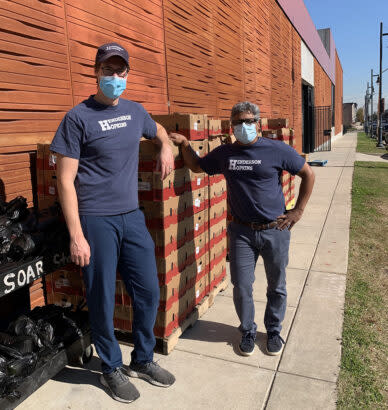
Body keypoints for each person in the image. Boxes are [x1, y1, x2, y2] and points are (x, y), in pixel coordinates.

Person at [50, 42, 175, 403]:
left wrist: (165, 145)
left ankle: (144, 359)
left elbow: (159, 131)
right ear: (96, 73)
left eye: (121, 72)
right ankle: (110, 368)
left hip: (132, 216)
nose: (115, 77)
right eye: (108, 71)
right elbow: (64, 180)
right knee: (102, 297)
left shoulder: (136, 112)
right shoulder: (77, 118)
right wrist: (77, 235)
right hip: (96, 219)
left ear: (127, 75)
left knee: (149, 291)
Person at [170, 101, 315, 357]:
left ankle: (273, 330)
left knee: (276, 285)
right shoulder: (225, 153)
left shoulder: (276, 149)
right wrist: (184, 145)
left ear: (257, 123)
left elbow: (308, 174)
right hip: (241, 232)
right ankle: (247, 330)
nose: (243, 126)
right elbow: (197, 166)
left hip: (274, 229)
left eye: (248, 121)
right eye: (238, 122)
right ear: (231, 125)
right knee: (242, 285)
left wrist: (298, 211)